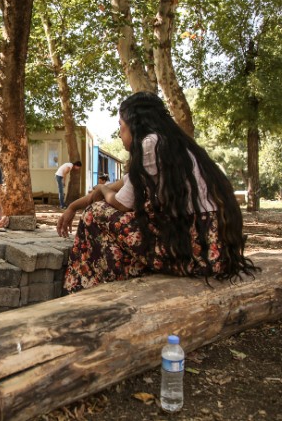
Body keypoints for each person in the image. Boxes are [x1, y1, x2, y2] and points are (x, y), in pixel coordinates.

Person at [57, 92, 257, 294]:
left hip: (195, 250)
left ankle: (79, 288)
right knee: (118, 212)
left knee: (95, 213)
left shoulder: (150, 144)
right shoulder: (175, 145)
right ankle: (118, 277)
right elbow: (120, 185)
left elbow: (120, 203)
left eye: (120, 125)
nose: (119, 133)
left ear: (134, 124)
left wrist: (101, 188)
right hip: (213, 249)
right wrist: (73, 206)